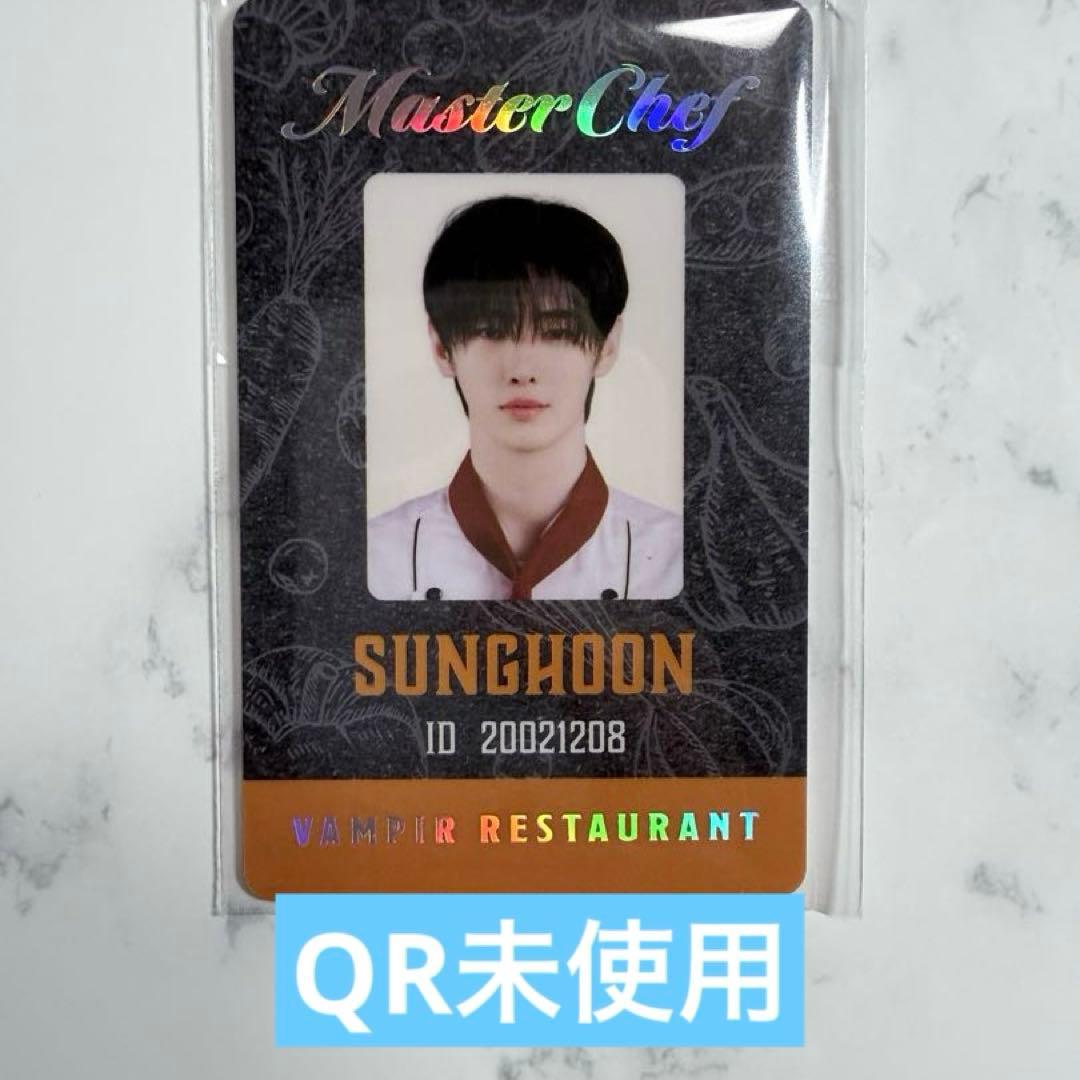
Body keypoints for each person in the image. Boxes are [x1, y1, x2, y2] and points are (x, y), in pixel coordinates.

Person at [367, 195, 682, 601]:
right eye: (492, 330)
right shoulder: (377, 559)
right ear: (441, 347)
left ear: (607, 346)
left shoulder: (674, 559)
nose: (523, 370)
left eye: (557, 332)